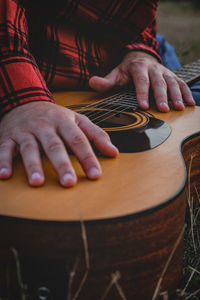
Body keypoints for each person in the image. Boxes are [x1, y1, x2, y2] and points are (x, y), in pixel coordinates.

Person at [0, 0, 197, 187]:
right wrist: (23, 99)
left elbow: (137, 17)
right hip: (33, 59)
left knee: (185, 102)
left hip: (114, 59)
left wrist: (141, 52)